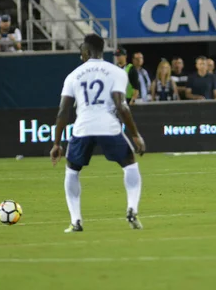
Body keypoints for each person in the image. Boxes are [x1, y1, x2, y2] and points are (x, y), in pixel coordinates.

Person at [50, 34, 147, 233]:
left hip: (82, 127)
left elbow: (63, 112)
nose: (80, 57)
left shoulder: (73, 75)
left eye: (81, 53)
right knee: (130, 165)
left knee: (72, 171)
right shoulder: (116, 72)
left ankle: (76, 221)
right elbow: (122, 106)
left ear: (86, 52)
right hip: (108, 126)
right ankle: (132, 209)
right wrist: (135, 134)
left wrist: (56, 144)